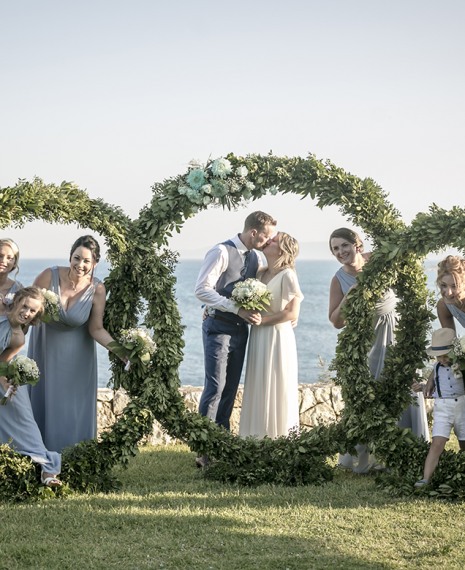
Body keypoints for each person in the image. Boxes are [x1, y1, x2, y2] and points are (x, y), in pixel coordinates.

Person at [328, 228, 429, 473]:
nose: (341, 252)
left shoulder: (380, 260)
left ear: (358, 244)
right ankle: (365, 460)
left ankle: (406, 453)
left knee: (404, 387)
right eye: (335, 249)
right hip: (367, 341)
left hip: (397, 333)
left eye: (344, 245)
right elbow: (336, 320)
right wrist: (348, 298)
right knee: (369, 392)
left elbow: (408, 265)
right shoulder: (338, 279)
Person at [28, 235, 121, 452]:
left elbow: (96, 328)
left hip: (77, 361)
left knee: (72, 410)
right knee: (42, 405)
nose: (80, 264)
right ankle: (39, 459)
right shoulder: (47, 276)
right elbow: (26, 309)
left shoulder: (97, 289)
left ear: (94, 263)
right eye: (76, 258)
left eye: (87, 261)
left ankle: (73, 460)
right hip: (44, 354)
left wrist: (124, 353)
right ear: (70, 257)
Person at [194, 211, 277, 447]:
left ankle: (223, 444)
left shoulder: (256, 258)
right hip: (218, 327)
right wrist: (235, 308)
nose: (268, 243)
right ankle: (204, 447)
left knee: (230, 389)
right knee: (215, 388)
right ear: (254, 233)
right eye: (266, 238)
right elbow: (202, 290)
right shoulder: (221, 251)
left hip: (241, 331)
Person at [239, 232, 303, 439]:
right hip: (258, 336)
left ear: (282, 250)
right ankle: (255, 437)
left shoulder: (288, 274)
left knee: (277, 384)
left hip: (277, 336)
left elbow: (291, 313)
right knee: (258, 383)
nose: (269, 240)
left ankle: (279, 438)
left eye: (274, 240)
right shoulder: (260, 273)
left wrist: (262, 321)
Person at [0, 286, 62, 487]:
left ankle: (48, 468)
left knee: (25, 419)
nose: (26, 313)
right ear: (16, 301)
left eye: (32, 311)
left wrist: (8, 383)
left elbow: (2, 363)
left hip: (2, 378)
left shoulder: (18, 337)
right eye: (25, 306)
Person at [415, 328, 465, 487]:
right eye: (439, 356)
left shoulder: (462, 364)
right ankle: (426, 478)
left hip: (463, 407)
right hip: (443, 408)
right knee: (436, 444)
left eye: (446, 355)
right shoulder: (436, 369)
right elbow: (434, 389)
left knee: (464, 443)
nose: (442, 359)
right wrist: (422, 387)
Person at [436, 255, 465, 330]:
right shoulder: (443, 306)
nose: (448, 293)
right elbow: (449, 339)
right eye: (443, 285)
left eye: (454, 286)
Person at [0, 238, 23, 316]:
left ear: (14, 263)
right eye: (0, 256)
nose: (3, 261)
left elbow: (23, 325)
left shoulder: (18, 290)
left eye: (9, 258)